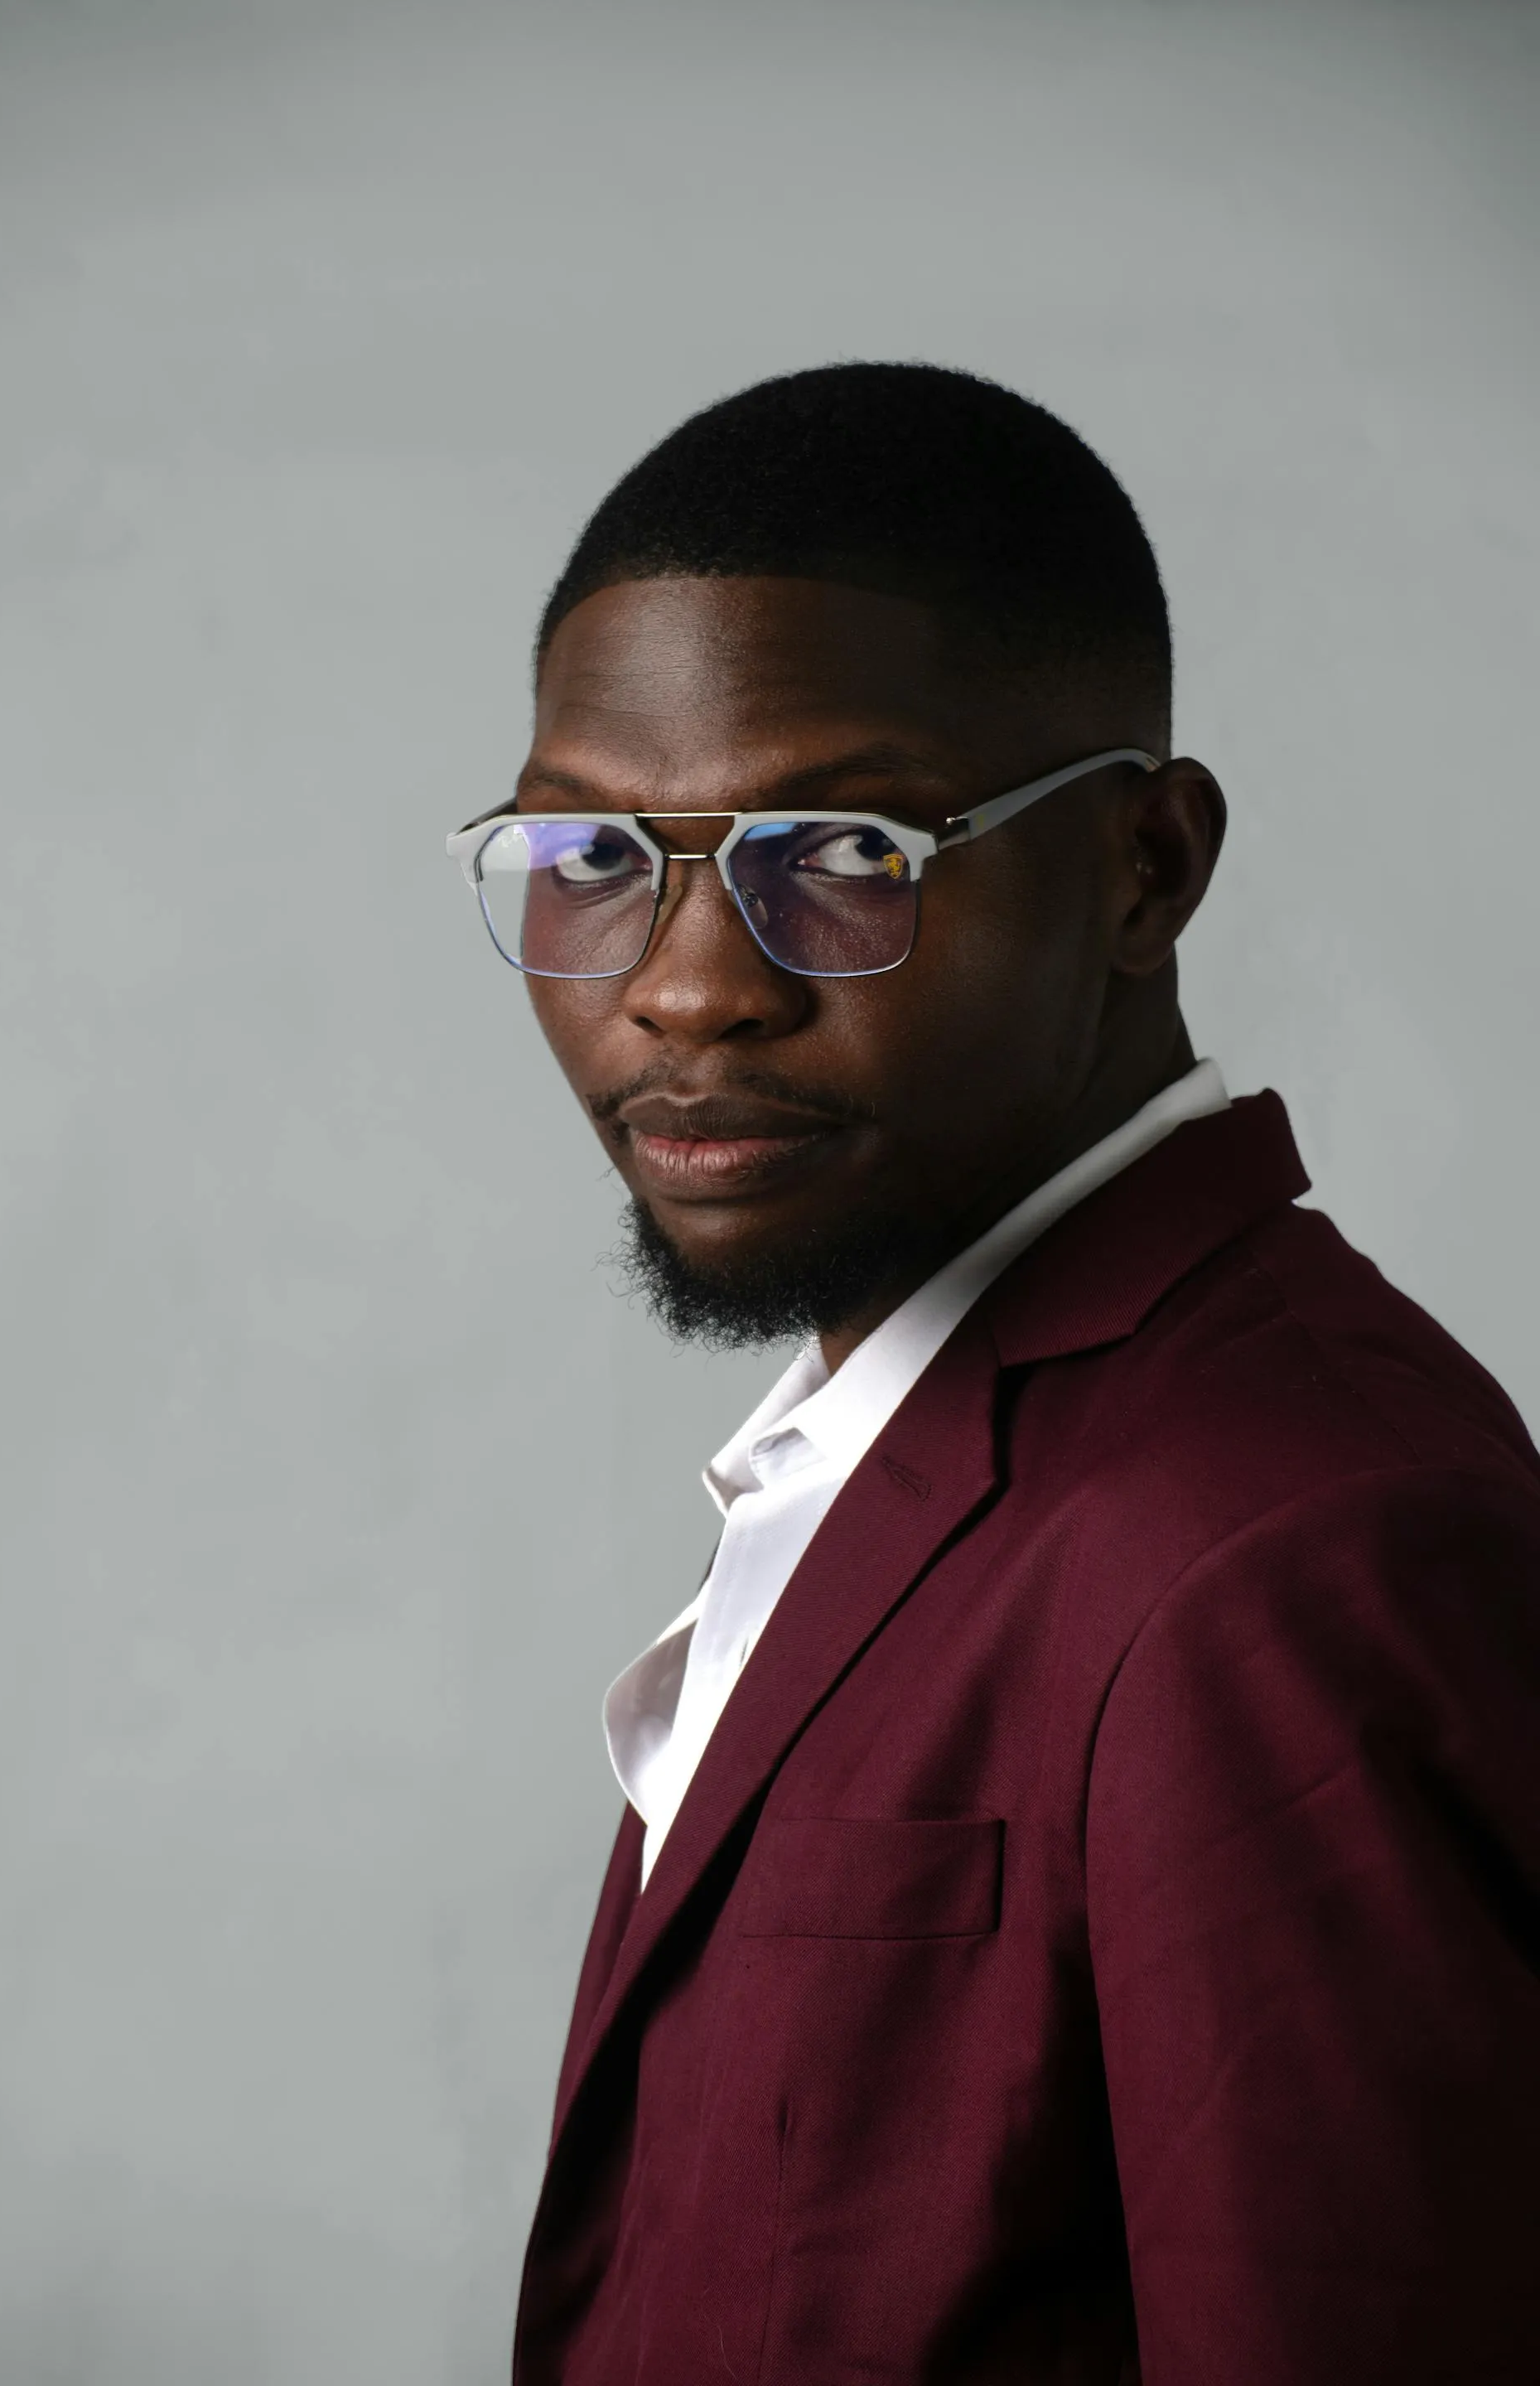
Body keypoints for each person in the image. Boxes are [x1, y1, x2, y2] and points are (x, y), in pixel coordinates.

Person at [448, 364, 1540, 2384]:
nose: (688, 984)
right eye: (591, 858)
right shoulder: (902, 1459)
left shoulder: (1290, 1552)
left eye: (845, 850)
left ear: (1145, 866)